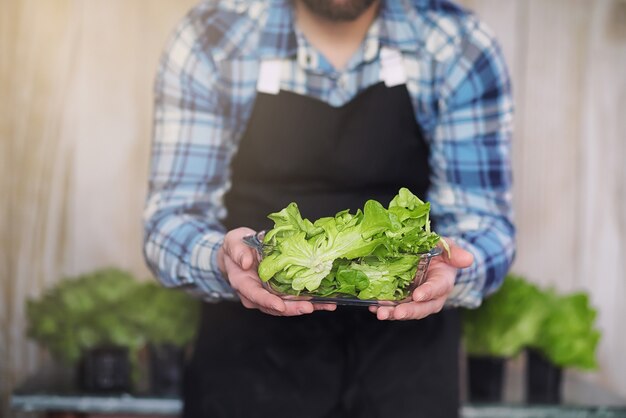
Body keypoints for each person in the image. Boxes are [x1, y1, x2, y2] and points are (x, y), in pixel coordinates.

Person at [143, 0, 515, 416]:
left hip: (406, 377)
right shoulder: (213, 38)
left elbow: (486, 227)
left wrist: (452, 266)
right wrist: (223, 259)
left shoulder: (458, 46)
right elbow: (169, 222)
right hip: (250, 377)